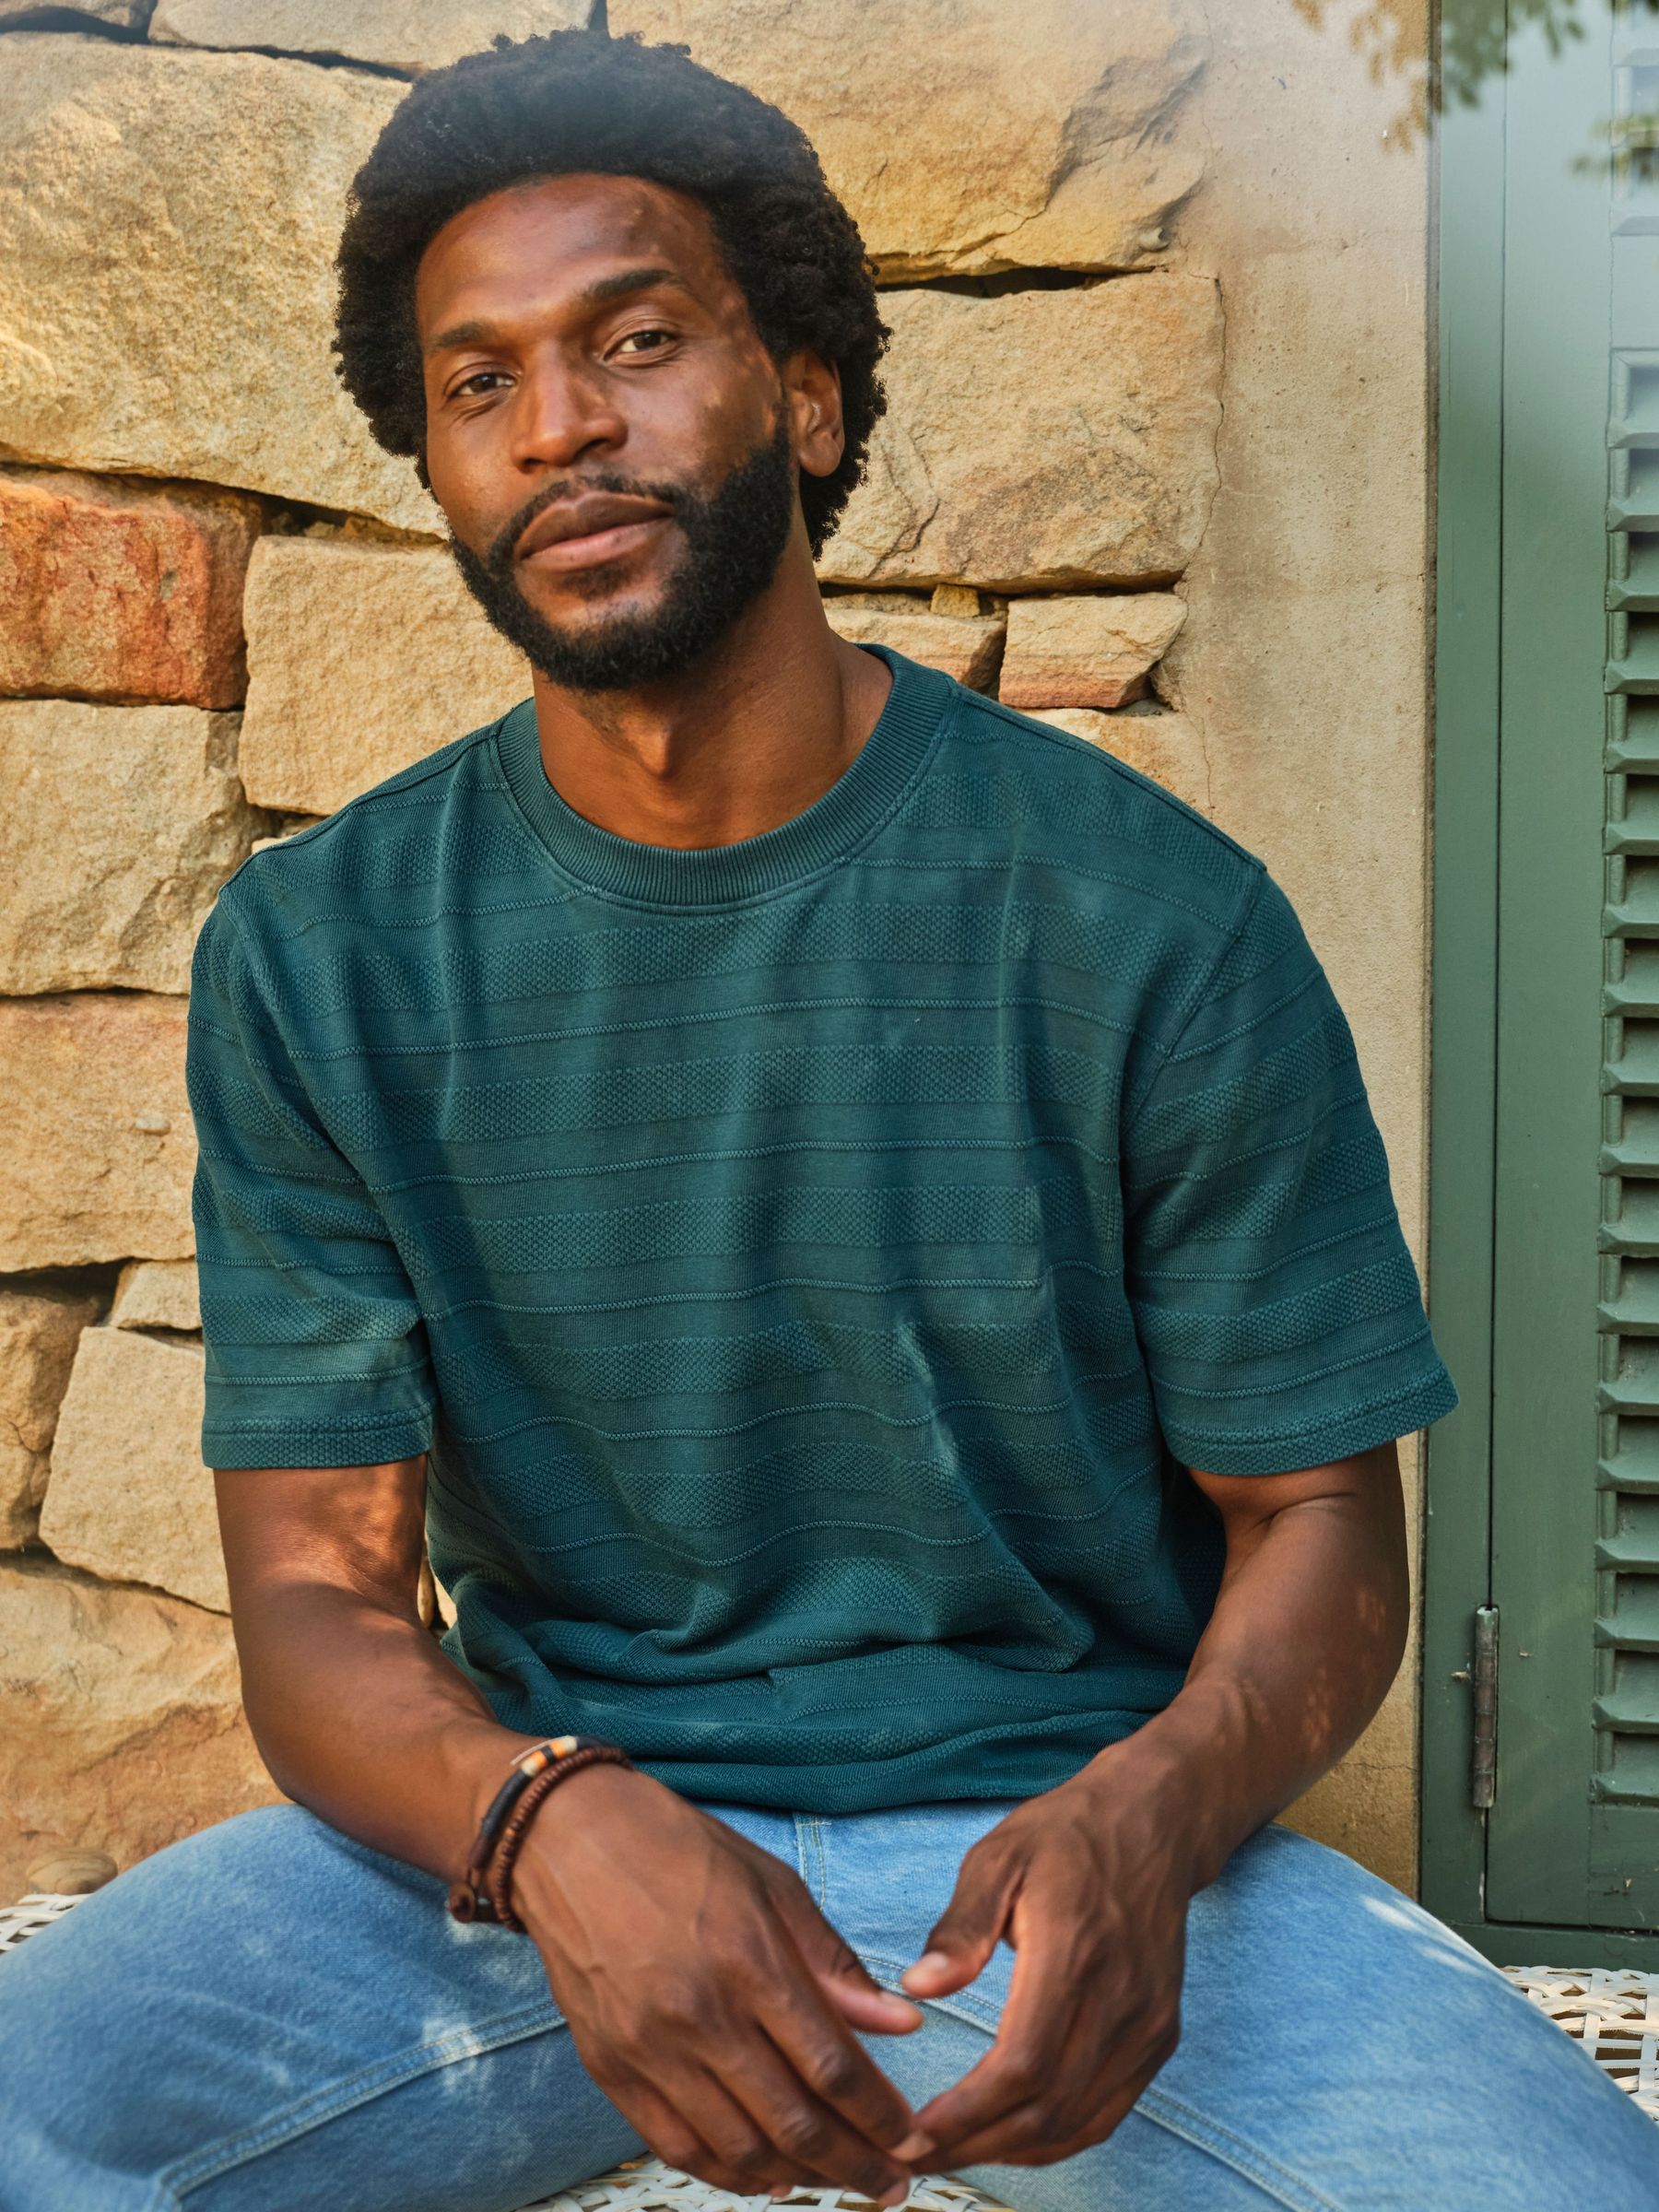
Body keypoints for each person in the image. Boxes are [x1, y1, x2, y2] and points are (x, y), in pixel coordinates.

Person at [4, 28, 1654, 2212]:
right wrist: (546, 1820)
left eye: (637, 340)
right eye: (480, 382)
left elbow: (1325, 1526)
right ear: (437, 466)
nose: (559, 424)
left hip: (1050, 1868)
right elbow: (320, 1603)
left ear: (806, 395)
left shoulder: (1148, 917)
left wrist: (1155, 1816)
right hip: (543, 1865)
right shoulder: (322, 958)